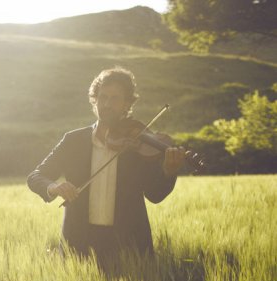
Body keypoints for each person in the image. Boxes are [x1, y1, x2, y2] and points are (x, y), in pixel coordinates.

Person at [27, 67, 186, 267]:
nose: (107, 104)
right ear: (95, 101)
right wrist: (54, 187)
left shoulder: (139, 144)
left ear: (127, 104)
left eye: (115, 99)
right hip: (79, 242)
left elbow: (155, 195)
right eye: (102, 97)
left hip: (129, 245)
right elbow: (36, 176)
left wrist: (169, 171)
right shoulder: (73, 140)